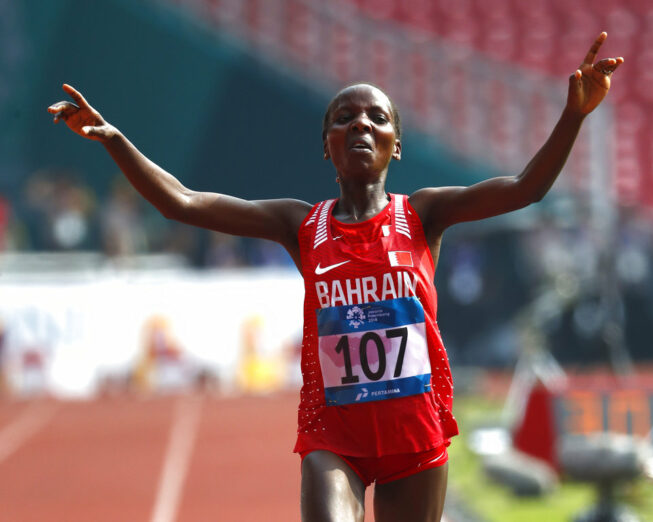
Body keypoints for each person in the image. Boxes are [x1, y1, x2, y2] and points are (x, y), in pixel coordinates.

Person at [48, 32, 622, 522]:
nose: (360, 126)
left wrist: (573, 115)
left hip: (413, 438)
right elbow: (185, 203)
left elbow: (526, 188)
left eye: (377, 117)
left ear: (397, 145)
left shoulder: (422, 214)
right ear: (325, 147)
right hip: (334, 439)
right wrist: (116, 142)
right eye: (343, 119)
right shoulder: (300, 224)